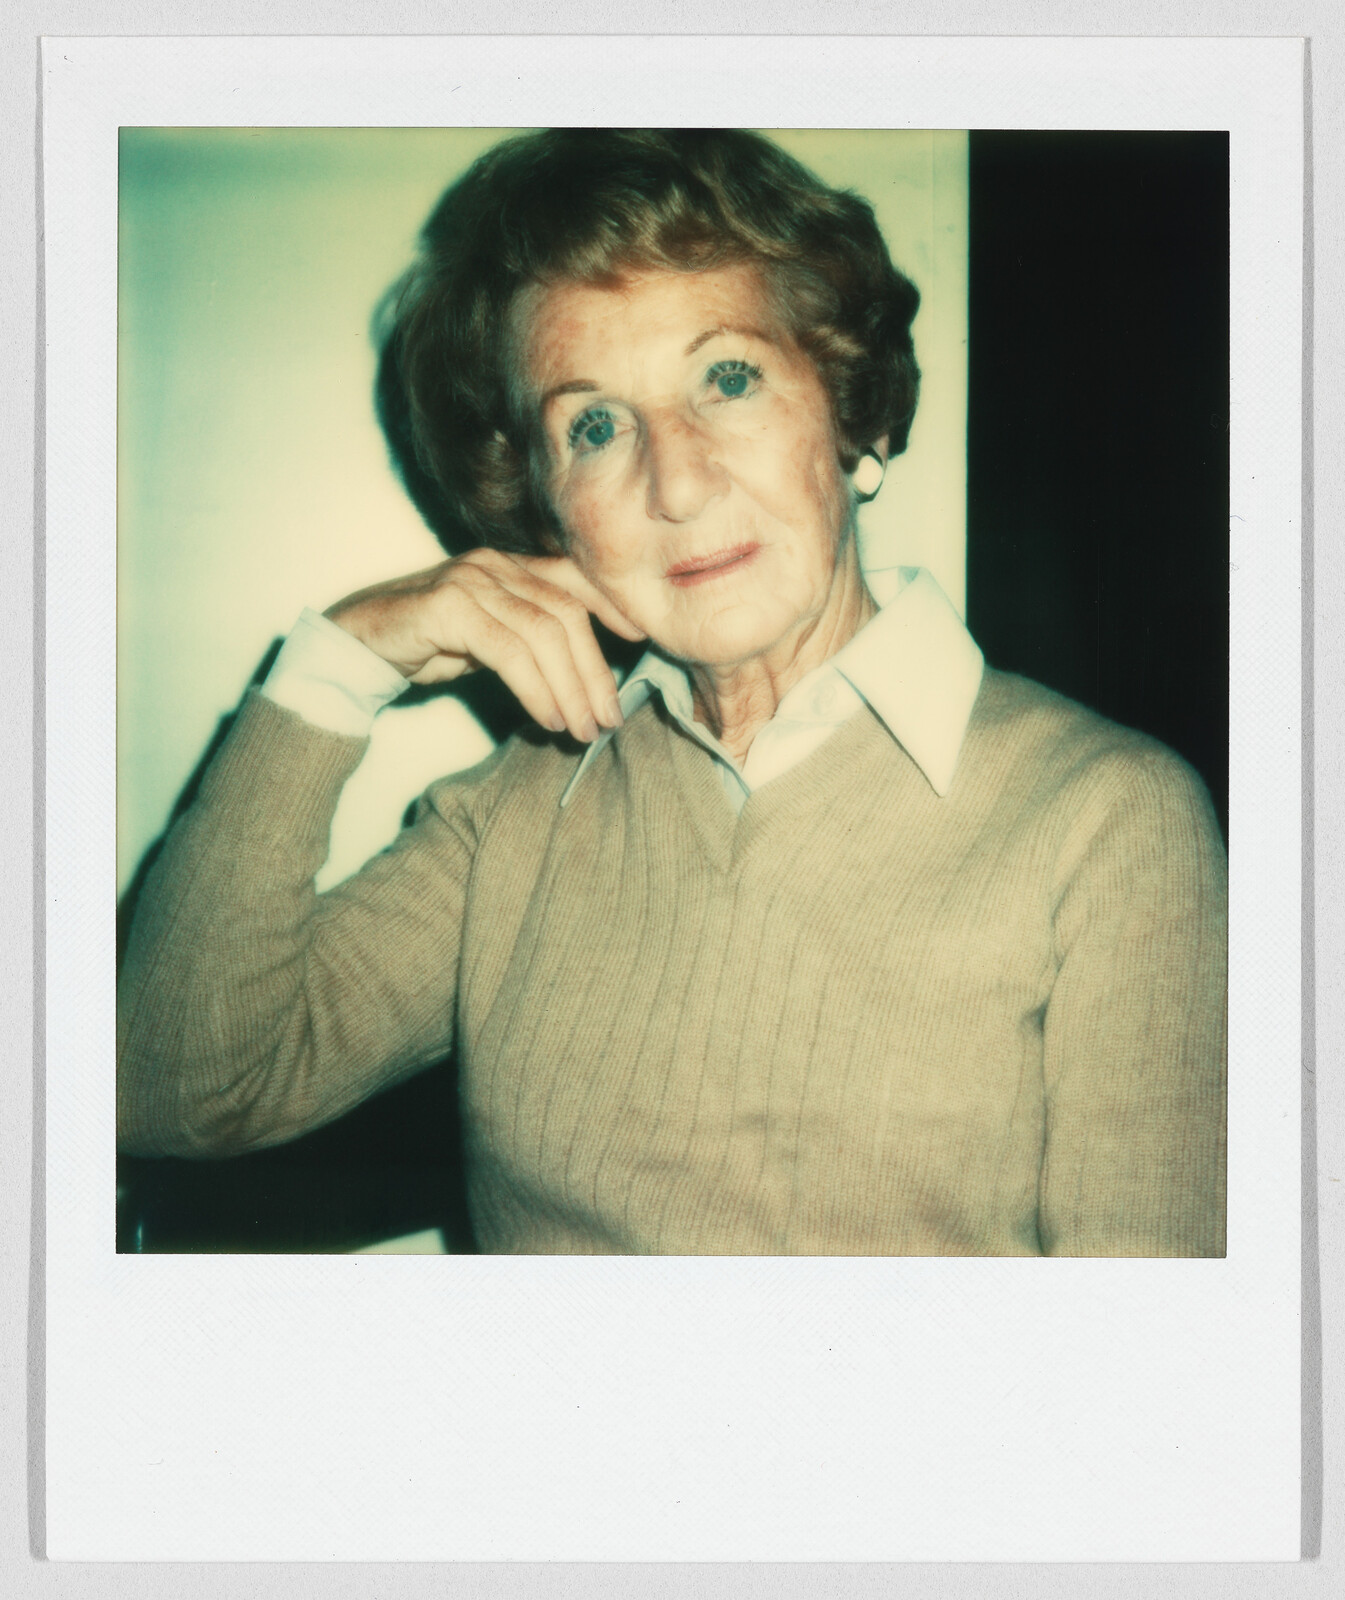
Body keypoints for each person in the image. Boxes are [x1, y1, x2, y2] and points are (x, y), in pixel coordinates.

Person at [116, 129, 1226, 1257]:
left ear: (851, 412)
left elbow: (1137, 1380)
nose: (677, 481)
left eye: (727, 378)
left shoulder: (1107, 822)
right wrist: (341, 661)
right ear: (548, 509)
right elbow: (172, 1086)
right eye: (593, 425)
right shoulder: (519, 813)